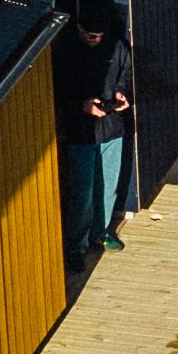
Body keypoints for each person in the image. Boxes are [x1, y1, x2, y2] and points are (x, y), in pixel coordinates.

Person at [70, 14, 137, 256]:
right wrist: (82, 105)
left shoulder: (116, 47)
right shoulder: (68, 54)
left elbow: (126, 72)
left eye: (100, 35)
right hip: (82, 133)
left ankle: (100, 233)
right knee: (83, 193)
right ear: (79, 30)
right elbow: (59, 90)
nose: (96, 40)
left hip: (111, 129)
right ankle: (76, 247)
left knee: (109, 187)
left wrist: (120, 92)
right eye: (91, 35)